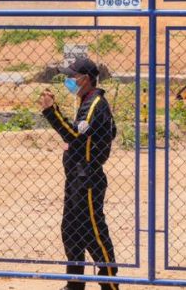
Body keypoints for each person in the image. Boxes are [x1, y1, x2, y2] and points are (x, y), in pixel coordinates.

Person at [38, 57, 119, 290]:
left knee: (94, 233)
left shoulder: (95, 103)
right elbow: (92, 134)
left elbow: (74, 135)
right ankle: (74, 284)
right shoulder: (87, 101)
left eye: (72, 76)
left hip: (88, 179)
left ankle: (111, 284)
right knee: (71, 231)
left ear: (85, 79)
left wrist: (51, 111)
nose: (69, 80)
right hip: (77, 177)